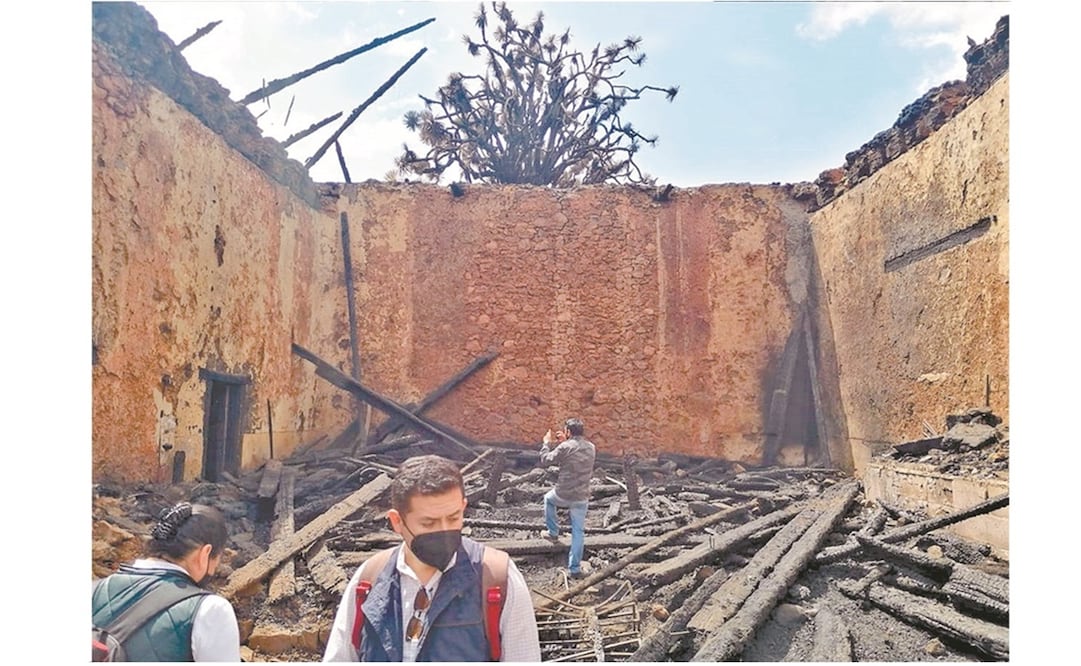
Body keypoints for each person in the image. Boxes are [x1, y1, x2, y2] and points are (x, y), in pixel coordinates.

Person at [323, 454, 541, 662]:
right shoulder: (369, 580)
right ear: (397, 521)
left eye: (454, 517)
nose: (445, 531)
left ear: (463, 507)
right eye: (429, 523)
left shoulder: (498, 580)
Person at [91, 501, 241, 662]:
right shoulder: (211, 609)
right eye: (216, 561)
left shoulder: (95, 589)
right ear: (205, 554)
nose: (214, 571)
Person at [538, 417, 597, 579]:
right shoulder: (592, 447)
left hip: (563, 493)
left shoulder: (565, 447)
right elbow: (573, 452)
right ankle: (575, 568)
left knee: (548, 500)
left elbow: (546, 459)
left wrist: (546, 443)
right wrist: (565, 442)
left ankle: (553, 532)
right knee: (578, 531)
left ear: (568, 432)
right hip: (581, 496)